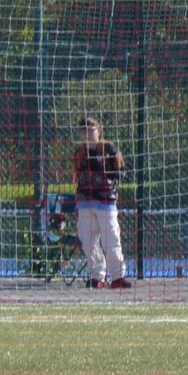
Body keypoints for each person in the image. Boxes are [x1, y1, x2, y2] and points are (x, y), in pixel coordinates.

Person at [73, 116, 128, 289]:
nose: (88, 134)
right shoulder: (79, 153)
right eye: (84, 131)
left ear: (99, 131)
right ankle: (96, 276)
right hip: (85, 201)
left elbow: (121, 172)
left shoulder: (109, 149)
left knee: (111, 238)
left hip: (105, 200)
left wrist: (106, 179)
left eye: (91, 130)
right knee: (88, 241)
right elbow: (77, 175)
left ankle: (118, 276)